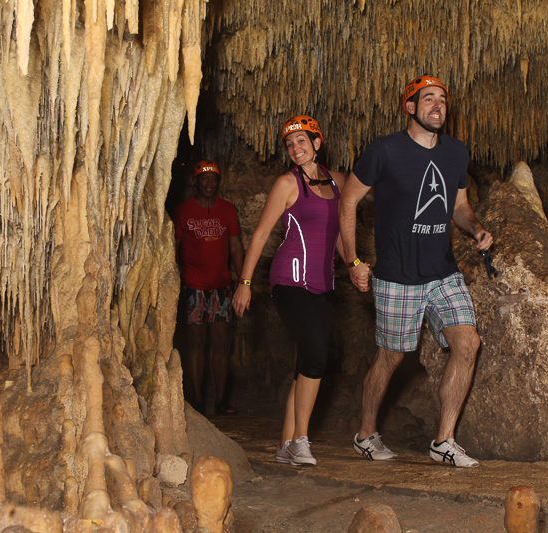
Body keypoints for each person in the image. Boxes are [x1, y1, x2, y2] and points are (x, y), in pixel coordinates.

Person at [339, 75, 493, 468]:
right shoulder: (386, 150)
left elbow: (458, 205)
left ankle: (444, 440)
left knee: (468, 343)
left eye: (442, 99)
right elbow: (349, 200)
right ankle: (366, 434)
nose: (437, 105)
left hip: (442, 271)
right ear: (410, 107)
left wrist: (475, 228)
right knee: (391, 357)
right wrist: (353, 260)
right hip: (397, 275)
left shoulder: (456, 152)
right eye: (428, 99)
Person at [232, 115, 345, 466]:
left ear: (317, 143)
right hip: (290, 280)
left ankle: (284, 443)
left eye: (301, 142)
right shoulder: (287, 183)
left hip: (324, 283)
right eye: (289, 144)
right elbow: (261, 233)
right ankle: (300, 440)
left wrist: (355, 264)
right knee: (315, 355)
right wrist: (245, 283)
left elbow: (340, 235)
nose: (295, 149)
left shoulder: (337, 182)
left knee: (307, 362)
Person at [174, 160, 245, 415]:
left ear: (219, 182)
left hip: (221, 286)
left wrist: (243, 279)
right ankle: (196, 400)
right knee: (195, 345)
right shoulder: (184, 210)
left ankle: (221, 400)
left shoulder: (227, 210)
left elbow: (235, 246)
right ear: (196, 181)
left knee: (221, 345)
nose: (209, 183)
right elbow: (174, 245)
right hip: (193, 287)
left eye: (213, 178)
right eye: (204, 178)